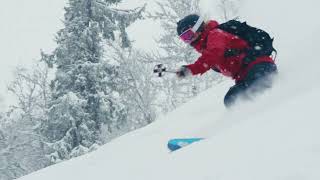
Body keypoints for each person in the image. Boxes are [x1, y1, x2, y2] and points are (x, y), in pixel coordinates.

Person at [176, 14, 277, 107]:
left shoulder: (215, 34)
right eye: (184, 38)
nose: (189, 40)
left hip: (258, 67)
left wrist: (191, 69)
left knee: (241, 98)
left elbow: (213, 55)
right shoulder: (207, 46)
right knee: (231, 100)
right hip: (248, 75)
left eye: (188, 35)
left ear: (198, 27)